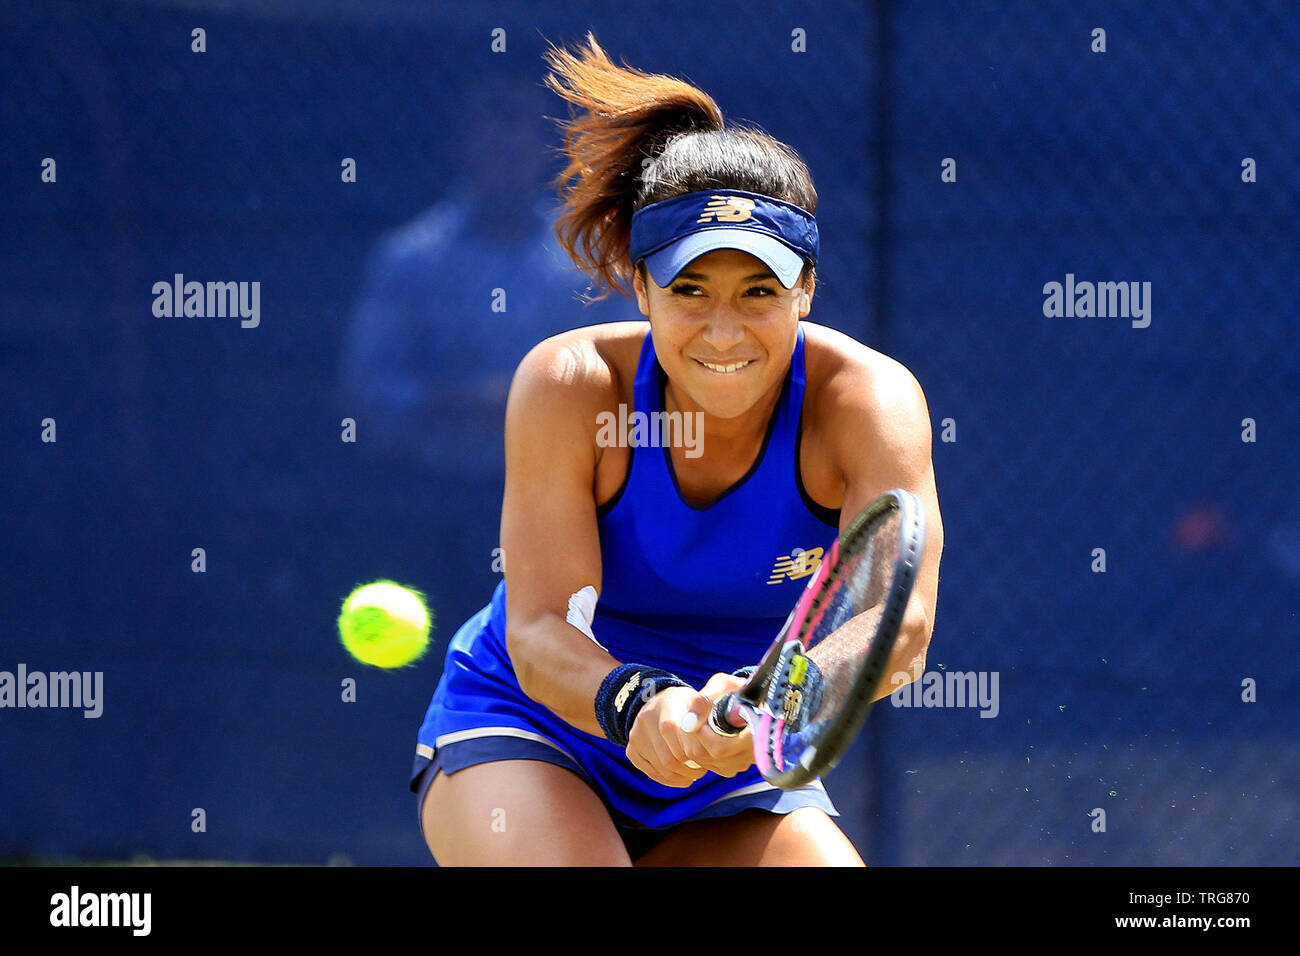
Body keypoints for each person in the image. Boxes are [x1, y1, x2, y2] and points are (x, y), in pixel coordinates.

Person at [411, 34, 943, 866]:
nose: (723, 331)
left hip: (735, 757)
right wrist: (640, 704)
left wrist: (779, 705)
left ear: (807, 287)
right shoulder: (570, 383)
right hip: (545, 727)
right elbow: (541, 625)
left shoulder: (869, 402)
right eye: (690, 290)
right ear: (639, 282)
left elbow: (897, 625)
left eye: (760, 291)